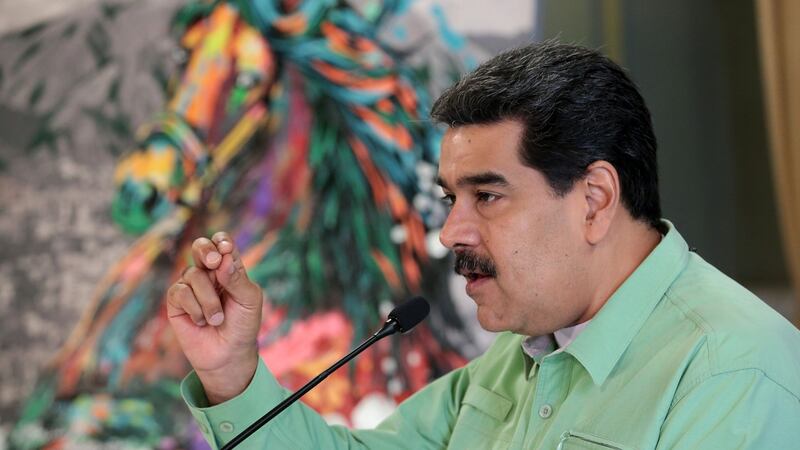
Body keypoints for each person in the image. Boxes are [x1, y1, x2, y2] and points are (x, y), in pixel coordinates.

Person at [167, 41, 800, 449]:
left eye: (487, 196)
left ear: (595, 199)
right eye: (450, 199)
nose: (450, 233)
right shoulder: (523, 354)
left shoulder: (733, 372)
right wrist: (232, 373)